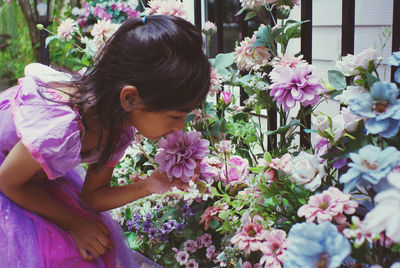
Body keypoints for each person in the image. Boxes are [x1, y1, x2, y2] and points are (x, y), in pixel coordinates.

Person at [0, 15, 210, 267]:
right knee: (59, 254)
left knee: (96, 244)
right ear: (129, 98)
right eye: (175, 115)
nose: (179, 127)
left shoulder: (117, 127)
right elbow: (7, 181)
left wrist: (148, 185)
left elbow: (92, 196)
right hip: (10, 179)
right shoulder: (59, 127)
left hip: (30, 177)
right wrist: (74, 223)